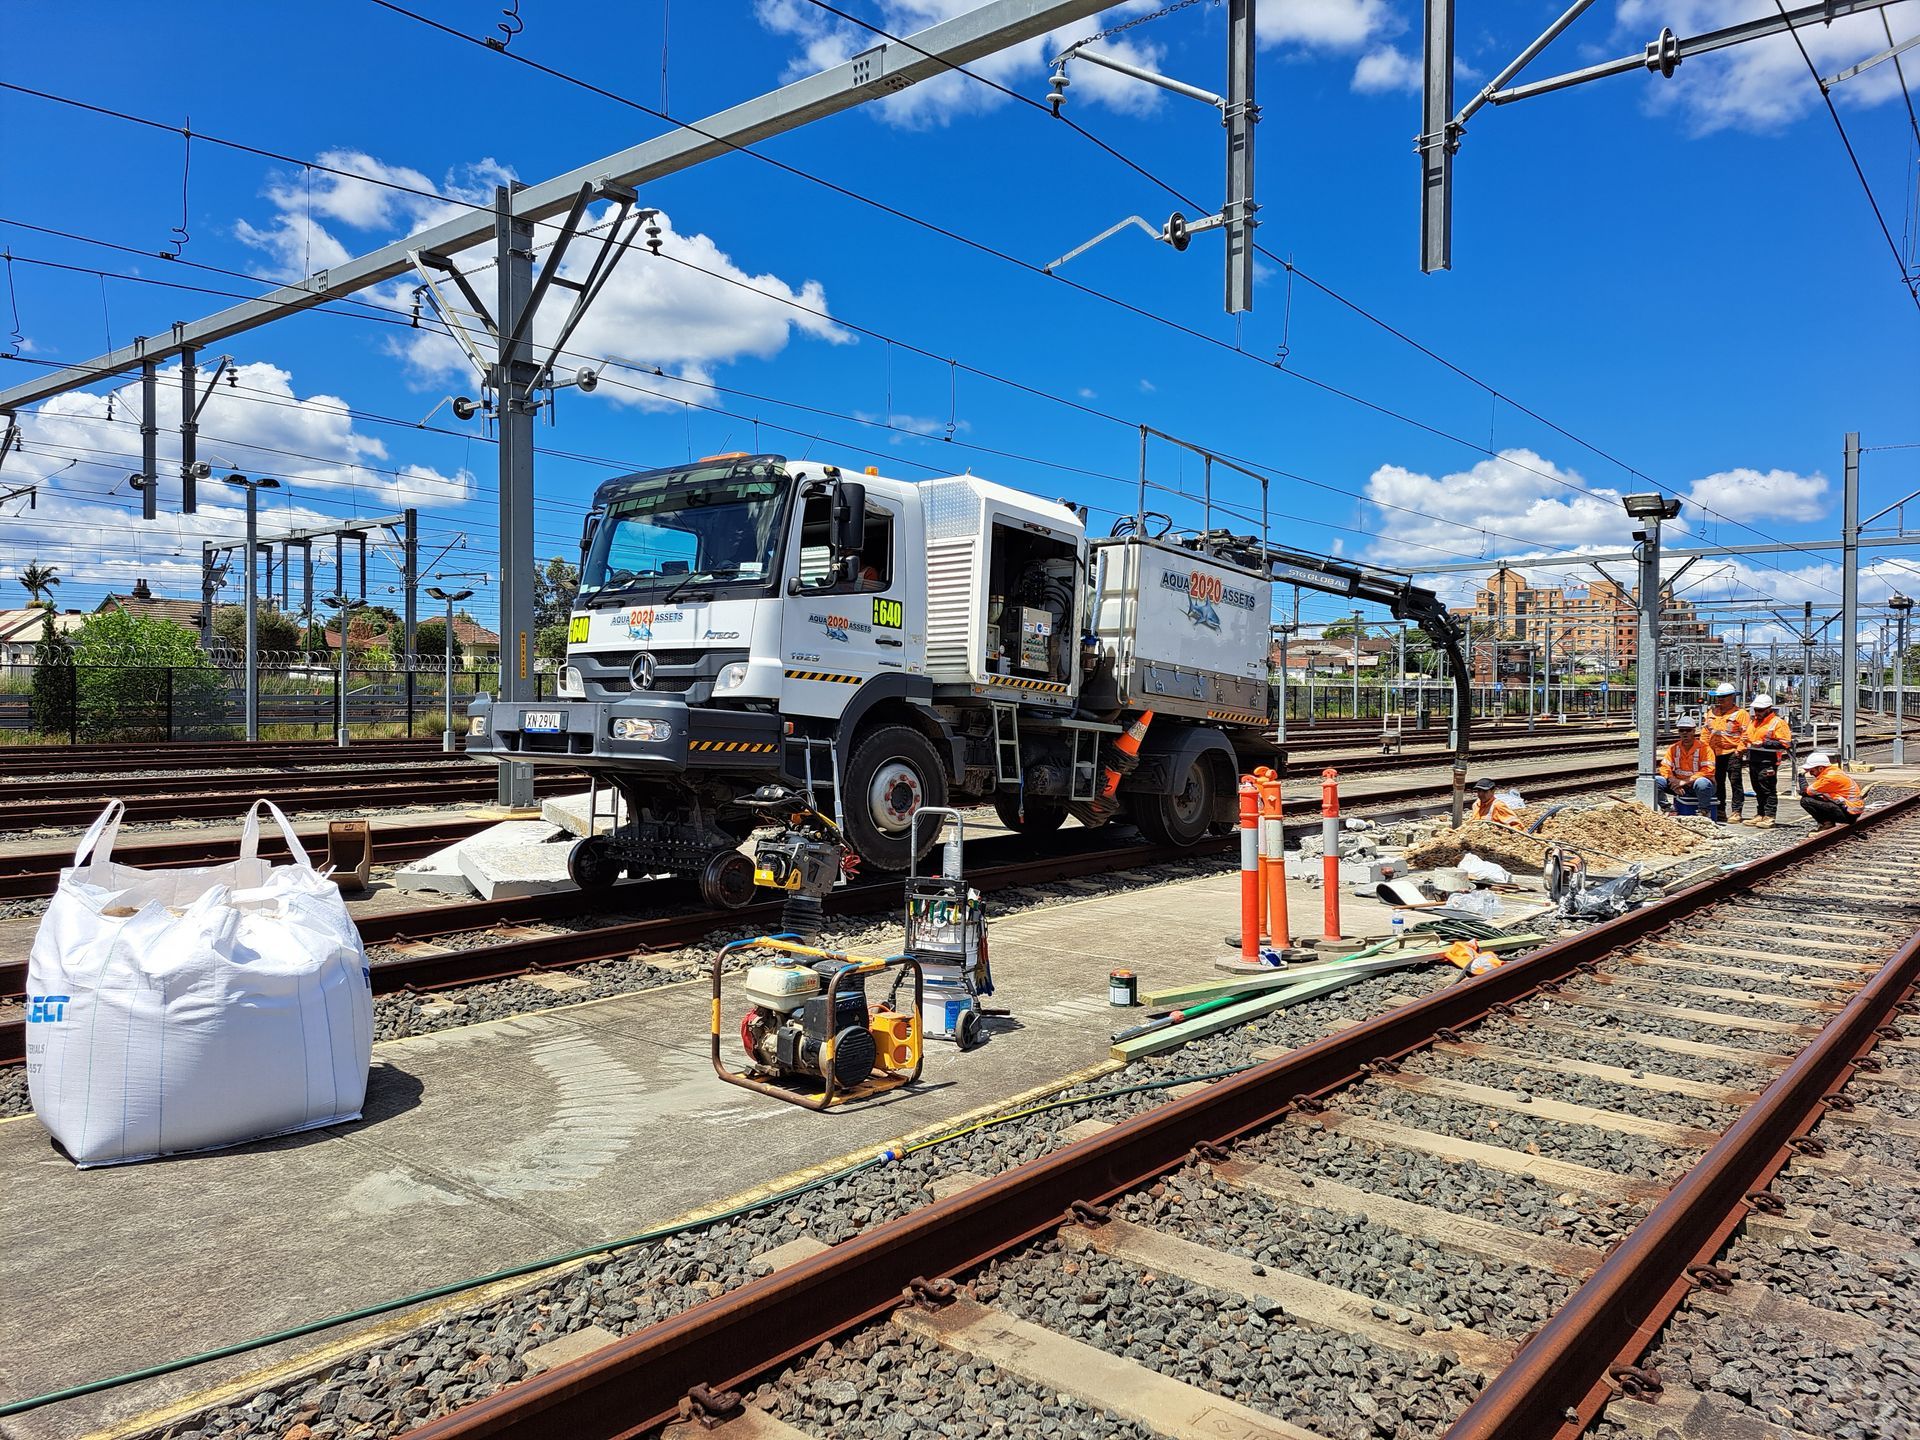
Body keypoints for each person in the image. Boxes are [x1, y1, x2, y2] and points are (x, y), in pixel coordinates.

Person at [1741, 693, 1793, 829]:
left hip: (1768, 761)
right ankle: (1761, 813)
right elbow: (1747, 736)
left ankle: (1769, 816)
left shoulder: (1777, 723)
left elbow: (1786, 743)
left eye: (1760, 710)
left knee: (1767, 789)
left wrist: (1764, 743)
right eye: (1755, 710)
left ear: (1768, 709)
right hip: (1754, 759)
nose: (1757, 712)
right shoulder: (1754, 722)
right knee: (1757, 788)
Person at [1701, 682, 1749, 823]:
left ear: (1732, 697)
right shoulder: (1712, 712)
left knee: (1735, 782)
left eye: (1724, 696)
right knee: (1718, 782)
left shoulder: (1741, 714)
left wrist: (1739, 751)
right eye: (1719, 697)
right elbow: (1706, 732)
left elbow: (1746, 734)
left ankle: (1736, 811)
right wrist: (1704, 749)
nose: (1720, 699)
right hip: (1715, 753)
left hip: (1732, 753)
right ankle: (1720, 810)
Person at [1656, 716, 1717, 815]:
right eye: (1682, 730)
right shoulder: (1673, 748)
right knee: (1656, 781)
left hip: (1698, 786)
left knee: (1702, 783)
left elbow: (1708, 770)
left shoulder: (1704, 749)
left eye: (1688, 730)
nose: (1685, 733)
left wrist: (1684, 782)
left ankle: (1704, 810)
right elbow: (1664, 767)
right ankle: (1668, 808)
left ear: (1693, 731)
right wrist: (1673, 781)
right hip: (1679, 784)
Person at [1797, 751, 1863, 829]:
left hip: (1849, 814)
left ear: (1821, 768)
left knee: (1806, 801)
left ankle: (1827, 824)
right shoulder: (1834, 771)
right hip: (1852, 810)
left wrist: (1801, 776)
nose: (1811, 774)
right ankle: (1829, 823)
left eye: (1812, 771)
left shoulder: (1828, 778)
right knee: (1818, 797)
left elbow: (1806, 791)